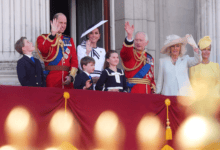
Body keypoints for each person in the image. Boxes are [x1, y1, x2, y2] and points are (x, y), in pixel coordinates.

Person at [36, 13, 78, 89]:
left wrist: (71, 76)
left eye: (65, 23)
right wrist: (52, 34)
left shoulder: (69, 40)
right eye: (61, 22)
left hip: (67, 80)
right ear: (52, 23)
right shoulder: (43, 38)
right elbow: (43, 50)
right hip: (51, 80)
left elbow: (74, 60)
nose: (63, 25)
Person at [120, 22, 156, 94]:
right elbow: (125, 52)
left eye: (141, 40)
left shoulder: (149, 57)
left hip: (147, 92)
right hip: (133, 91)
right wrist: (129, 36)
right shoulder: (130, 53)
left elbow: (151, 77)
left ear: (146, 42)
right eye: (136, 40)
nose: (138, 43)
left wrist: (153, 86)